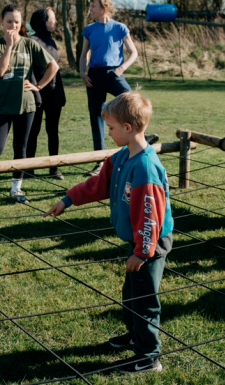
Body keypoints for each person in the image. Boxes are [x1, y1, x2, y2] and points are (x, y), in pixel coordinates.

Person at [44, 92, 173, 374]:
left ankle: (149, 356)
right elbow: (98, 185)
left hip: (150, 243)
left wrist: (142, 252)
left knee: (144, 300)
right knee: (131, 294)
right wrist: (67, 200)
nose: (109, 133)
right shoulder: (121, 158)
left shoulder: (145, 168)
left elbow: (150, 216)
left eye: (111, 128)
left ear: (128, 128)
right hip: (139, 241)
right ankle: (135, 336)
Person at [80, 0, 158, 177]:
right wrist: (82, 73)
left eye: (93, 6)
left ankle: (143, 138)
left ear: (103, 7)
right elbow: (84, 55)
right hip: (94, 75)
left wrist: (122, 68)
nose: (90, 9)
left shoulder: (120, 28)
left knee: (133, 101)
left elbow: (133, 52)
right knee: (96, 115)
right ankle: (99, 162)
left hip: (115, 73)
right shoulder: (89, 30)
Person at [0, 3, 59, 204]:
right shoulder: (0, 44)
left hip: (26, 106)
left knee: (21, 147)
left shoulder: (29, 44)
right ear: (2, 22)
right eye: (9, 21)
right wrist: (8, 46)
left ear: (21, 22)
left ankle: (16, 189)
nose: (13, 26)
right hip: (2, 105)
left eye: (17, 22)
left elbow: (54, 65)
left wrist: (39, 86)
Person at [25, 7, 66, 180]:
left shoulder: (51, 41)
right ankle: (29, 168)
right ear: (44, 20)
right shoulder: (31, 40)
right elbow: (30, 70)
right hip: (37, 94)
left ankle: (54, 167)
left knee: (53, 131)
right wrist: (37, 90)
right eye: (52, 18)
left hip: (54, 95)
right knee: (32, 131)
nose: (55, 21)